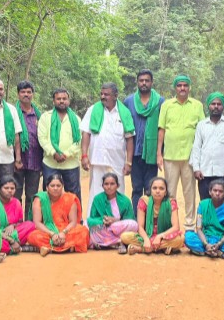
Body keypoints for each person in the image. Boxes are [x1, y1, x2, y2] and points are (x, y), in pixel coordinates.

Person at [157, 75, 206, 230]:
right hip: (170, 156)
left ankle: (189, 223)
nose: (182, 88)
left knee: (189, 192)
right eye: (179, 85)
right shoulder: (166, 105)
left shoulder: (197, 105)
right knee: (169, 192)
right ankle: (170, 223)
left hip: (190, 157)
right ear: (175, 88)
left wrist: (201, 156)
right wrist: (159, 154)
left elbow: (202, 130)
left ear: (189, 87)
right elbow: (161, 129)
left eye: (185, 85)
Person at [80, 83, 135, 207]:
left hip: (117, 162)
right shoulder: (93, 110)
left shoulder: (124, 113)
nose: (103, 97)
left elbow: (129, 139)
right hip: (97, 160)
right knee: (96, 193)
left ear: (115, 96)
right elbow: (86, 133)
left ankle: (116, 219)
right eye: (101, 94)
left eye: (106, 94)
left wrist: (129, 162)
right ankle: (95, 219)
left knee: (117, 194)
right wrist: (84, 155)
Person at [123, 69, 164, 211]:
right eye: (141, 80)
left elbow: (162, 127)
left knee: (150, 188)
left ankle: (149, 217)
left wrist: (160, 153)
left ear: (152, 82)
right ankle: (136, 217)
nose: (144, 83)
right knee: (136, 188)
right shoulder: (129, 101)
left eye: (147, 80)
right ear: (137, 82)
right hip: (134, 151)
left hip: (151, 153)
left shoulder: (160, 102)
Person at [190, 92, 224, 200]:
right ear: (209, 106)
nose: (216, 106)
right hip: (204, 173)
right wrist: (196, 168)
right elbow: (196, 148)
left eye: (219, 104)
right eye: (213, 104)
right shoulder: (201, 125)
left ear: (223, 106)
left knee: (222, 203)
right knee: (205, 203)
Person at [37, 89, 82, 204]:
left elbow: (79, 141)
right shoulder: (45, 117)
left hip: (71, 164)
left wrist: (66, 154)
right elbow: (42, 138)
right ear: (53, 101)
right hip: (50, 164)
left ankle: (75, 216)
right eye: (58, 99)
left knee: (73, 196)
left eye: (64, 98)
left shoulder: (76, 119)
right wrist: (53, 153)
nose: (61, 101)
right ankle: (48, 215)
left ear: (68, 101)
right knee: (50, 196)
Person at [185, 179, 224, 261]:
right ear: (210, 192)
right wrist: (206, 244)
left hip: (221, 240)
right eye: (215, 190)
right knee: (188, 237)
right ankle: (219, 253)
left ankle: (209, 251)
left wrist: (219, 244)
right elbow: (199, 228)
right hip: (205, 238)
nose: (217, 193)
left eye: (220, 191)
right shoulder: (203, 205)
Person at [0, 176, 36, 261]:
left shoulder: (16, 202)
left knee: (30, 225)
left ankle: (10, 249)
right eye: (6, 188)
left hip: (12, 233)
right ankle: (15, 248)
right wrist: (11, 240)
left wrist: (12, 226)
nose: (10, 190)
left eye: (12, 188)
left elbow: (20, 223)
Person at [29, 174, 90, 256]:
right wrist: (52, 234)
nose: (55, 188)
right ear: (47, 187)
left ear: (62, 187)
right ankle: (68, 247)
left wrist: (63, 233)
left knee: (83, 231)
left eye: (58, 186)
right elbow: (37, 223)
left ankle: (49, 248)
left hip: (66, 230)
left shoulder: (70, 198)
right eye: (52, 186)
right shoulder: (40, 199)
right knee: (33, 236)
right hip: (47, 230)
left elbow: (73, 222)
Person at [120, 177, 184, 255]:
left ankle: (141, 249)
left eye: (161, 188)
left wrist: (159, 236)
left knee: (180, 239)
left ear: (165, 192)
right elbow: (140, 226)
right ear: (150, 190)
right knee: (124, 236)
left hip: (164, 237)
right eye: (154, 188)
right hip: (146, 235)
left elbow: (176, 227)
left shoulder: (171, 203)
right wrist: (146, 239)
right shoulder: (144, 201)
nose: (157, 191)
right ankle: (162, 248)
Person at [13, 80, 43, 218]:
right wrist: (17, 158)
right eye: (23, 92)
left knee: (32, 195)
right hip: (17, 161)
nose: (26, 94)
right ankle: (17, 223)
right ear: (18, 94)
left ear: (33, 94)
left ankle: (30, 223)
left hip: (35, 160)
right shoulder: (13, 113)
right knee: (15, 193)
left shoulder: (39, 115)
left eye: (29, 92)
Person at [87, 173, 138, 252]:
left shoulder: (125, 201)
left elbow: (130, 219)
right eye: (106, 184)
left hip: (119, 227)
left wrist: (115, 220)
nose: (109, 187)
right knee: (88, 225)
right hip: (104, 227)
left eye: (112, 184)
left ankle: (107, 243)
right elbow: (92, 218)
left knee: (133, 224)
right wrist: (103, 220)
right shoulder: (97, 199)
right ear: (102, 186)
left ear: (117, 185)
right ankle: (120, 242)